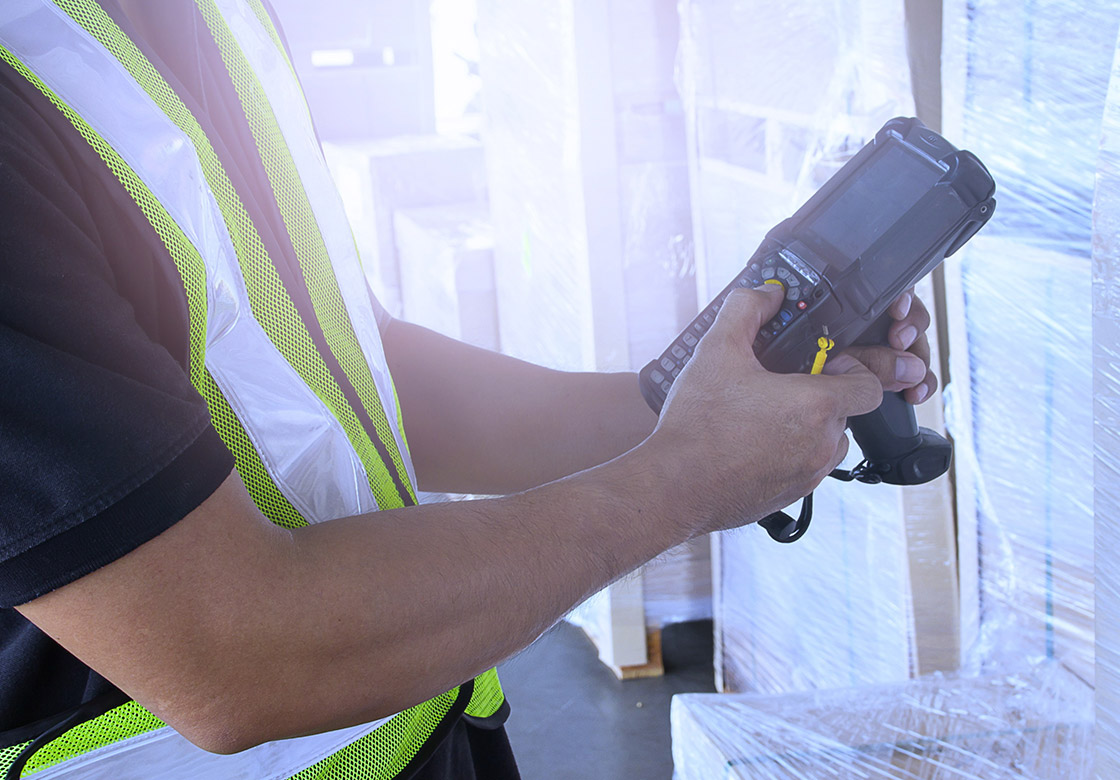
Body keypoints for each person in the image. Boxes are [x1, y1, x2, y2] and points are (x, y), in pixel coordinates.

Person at [0, 0, 939, 777]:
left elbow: (341, 366)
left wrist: (681, 400)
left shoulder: (200, 15)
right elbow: (229, 650)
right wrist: (685, 477)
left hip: (431, 731)